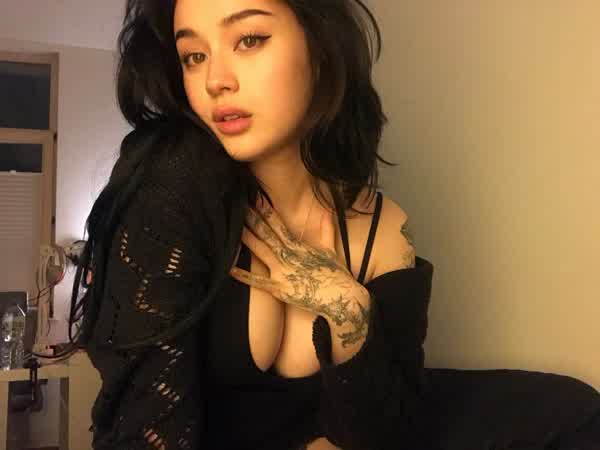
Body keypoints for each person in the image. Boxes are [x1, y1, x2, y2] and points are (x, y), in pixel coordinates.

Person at [52, 0, 600, 449]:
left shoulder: (382, 229)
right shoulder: (175, 179)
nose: (216, 80)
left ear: (318, 46)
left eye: (249, 40)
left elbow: (384, 432)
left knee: (573, 410)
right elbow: (144, 428)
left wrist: (348, 310)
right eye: (194, 56)